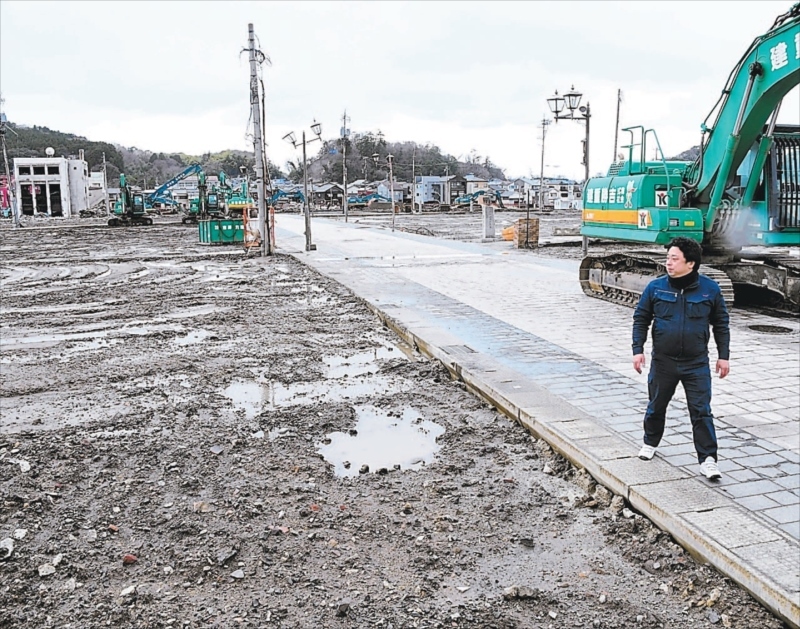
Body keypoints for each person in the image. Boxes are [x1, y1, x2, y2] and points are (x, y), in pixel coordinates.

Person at [632, 237, 730, 480]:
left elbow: (721, 324)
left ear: (691, 263)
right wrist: (638, 349)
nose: (669, 263)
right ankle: (650, 442)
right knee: (656, 406)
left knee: (701, 410)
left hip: (696, 363)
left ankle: (708, 459)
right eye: (668, 258)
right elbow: (641, 318)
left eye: (674, 259)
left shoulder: (710, 289)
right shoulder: (656, 287)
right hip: (663, 362)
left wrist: (723, 356)